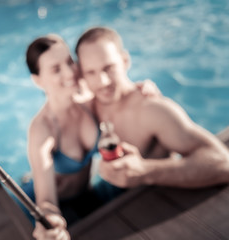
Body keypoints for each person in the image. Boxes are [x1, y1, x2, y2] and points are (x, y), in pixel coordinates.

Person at [24, 34, 159, 240]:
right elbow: (46, 200)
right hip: (58, 204)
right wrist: (50, 220)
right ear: (38, 80)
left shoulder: (88, 99)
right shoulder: (42, 129)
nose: (69, 72)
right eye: (56, 69)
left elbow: (117, 93)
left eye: (69, 61)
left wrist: (140, 90)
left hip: (88, 194)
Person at [75, 27, 229, 189]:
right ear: (82, 75)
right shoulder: (89, 107)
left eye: (109, 68)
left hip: (153, 199)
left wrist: (146, 171)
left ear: (125, 60)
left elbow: (222, 162)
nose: (103, 81)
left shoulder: (151, 109)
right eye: (91, 72)